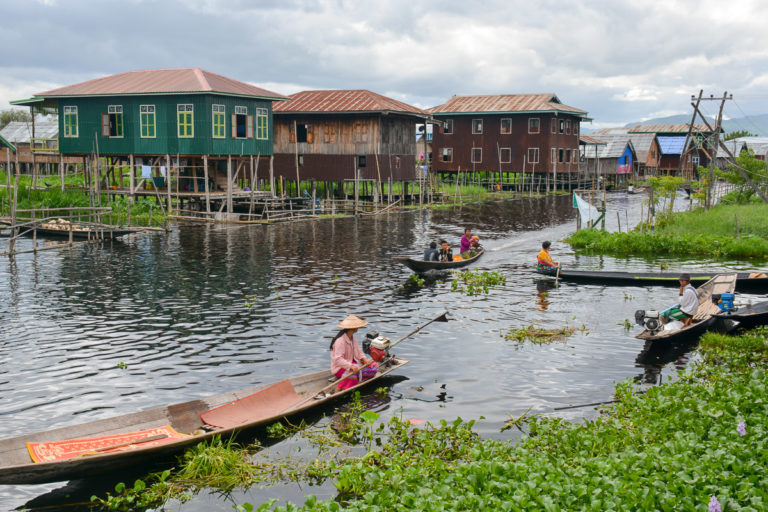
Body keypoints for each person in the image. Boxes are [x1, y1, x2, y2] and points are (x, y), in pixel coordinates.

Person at [330, 315, 378, 393]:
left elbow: (359, 352)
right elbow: (338, 359)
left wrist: (365, 360)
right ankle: (338, 388)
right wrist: (350, 366)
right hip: (340, 368)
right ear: (354, 328)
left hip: (354, 364)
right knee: (353, 371)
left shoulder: (353, 338)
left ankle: (359, 376)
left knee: (375, 366)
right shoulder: (340, 341)